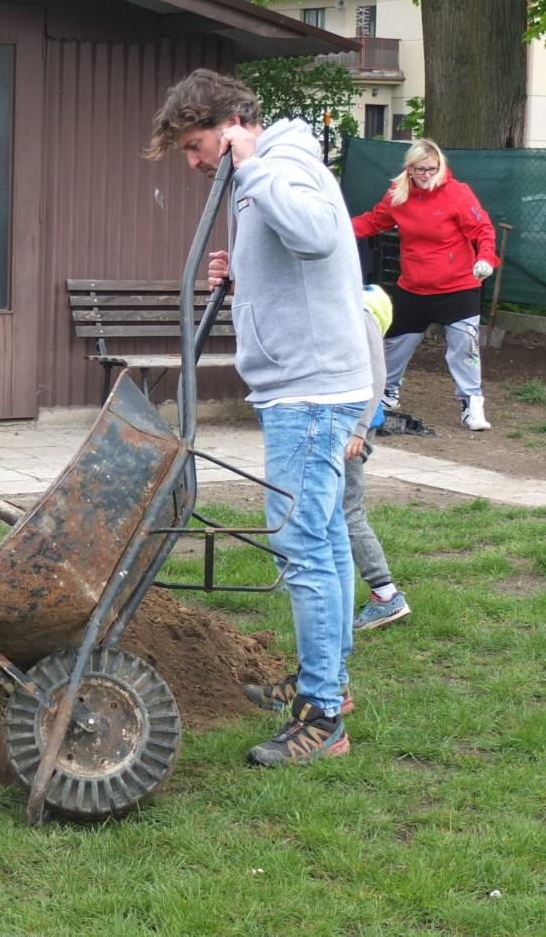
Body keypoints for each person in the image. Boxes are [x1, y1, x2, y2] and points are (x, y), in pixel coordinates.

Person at [146, 69, 370, 767]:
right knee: (325, 538)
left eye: (195, 145)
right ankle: (326, 684)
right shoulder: (261, 172)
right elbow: (297, 261)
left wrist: (253, 166)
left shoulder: (278, 163)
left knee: (301, 546)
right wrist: (245, 275)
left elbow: (318, 235)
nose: (192, 161)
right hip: (306, 383)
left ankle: (322, 719)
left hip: (309, 391)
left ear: (231, 125)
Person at [351, 138, 499, 432]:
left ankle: (471, 403)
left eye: (432, 169)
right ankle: (387, 392)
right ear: (409, 169)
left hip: (458, 286)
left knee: (465, 347)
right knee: (395, 345)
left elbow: (483, 229)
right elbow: (374, 221)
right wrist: (337, 229)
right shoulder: (398, 194)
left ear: (440, 166)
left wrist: (485, 258)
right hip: (414, 287)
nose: (427, 175)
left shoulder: (457, 193)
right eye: (420, 170)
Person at [346, 285, 411, 630]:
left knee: (347, 510)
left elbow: (376, 377)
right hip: (344, 425)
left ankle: (386, 595)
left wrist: (357, 430)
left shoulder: (360, 315)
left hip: (352, 430)